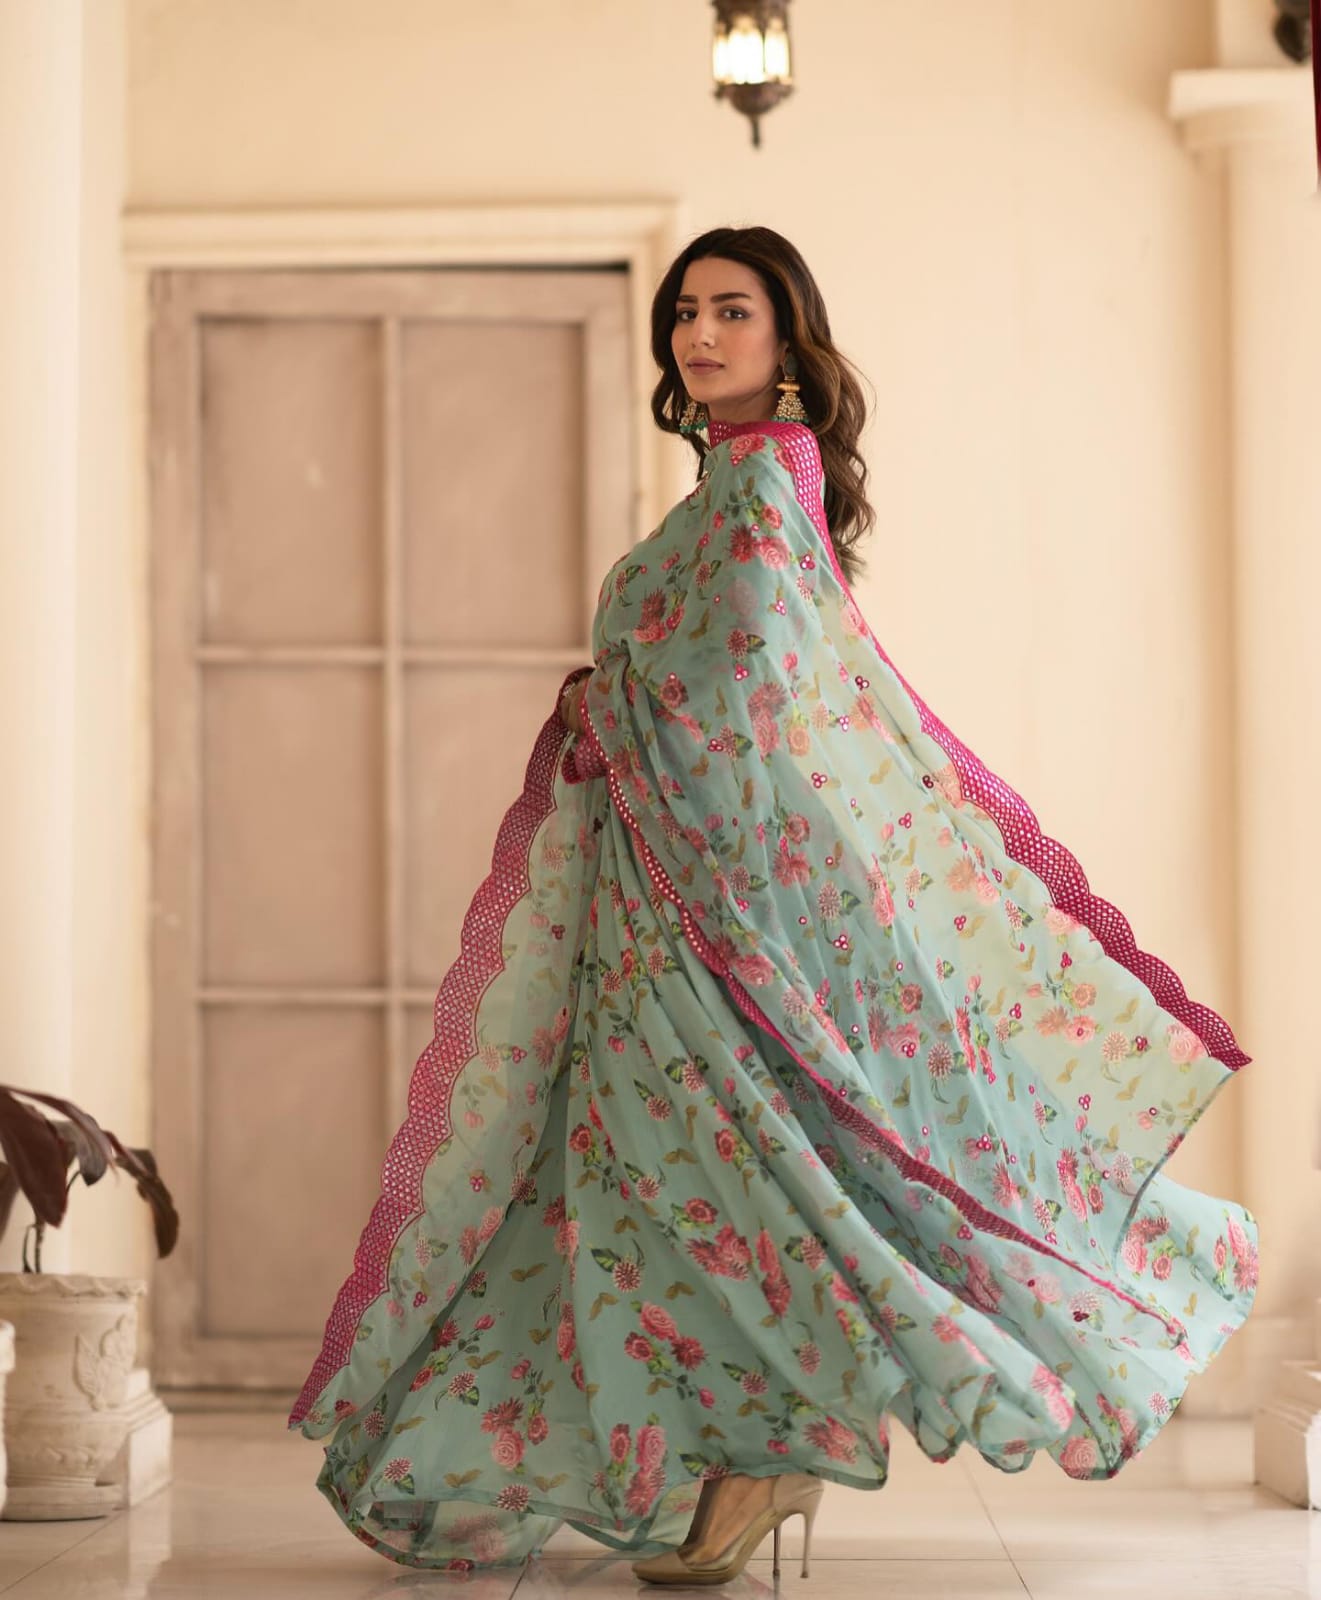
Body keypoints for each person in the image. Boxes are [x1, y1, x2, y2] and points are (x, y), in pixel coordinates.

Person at [286, 225, 1257, 1583]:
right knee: (676, 1180)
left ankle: (760, 1455)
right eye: (685, 312)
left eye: (730, 311)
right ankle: (750, 1450)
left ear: (787, 336)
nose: (698, 333)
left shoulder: (758, 479)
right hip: (669, 893)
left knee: (722, 1175)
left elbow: (744, 676)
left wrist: (610, 697)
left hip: (707, 906)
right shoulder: (740, 477)